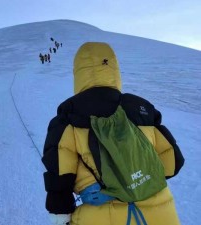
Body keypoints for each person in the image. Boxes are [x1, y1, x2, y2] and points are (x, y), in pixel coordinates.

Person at [42, 42, 184, 225]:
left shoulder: (68, 116)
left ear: (79, 73)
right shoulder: (142, 109)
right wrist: (136, 180)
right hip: (161, 213)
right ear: (114, 69)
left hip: (100, 216)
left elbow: (59, 173)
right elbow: (172, 162)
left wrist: (60, 213)